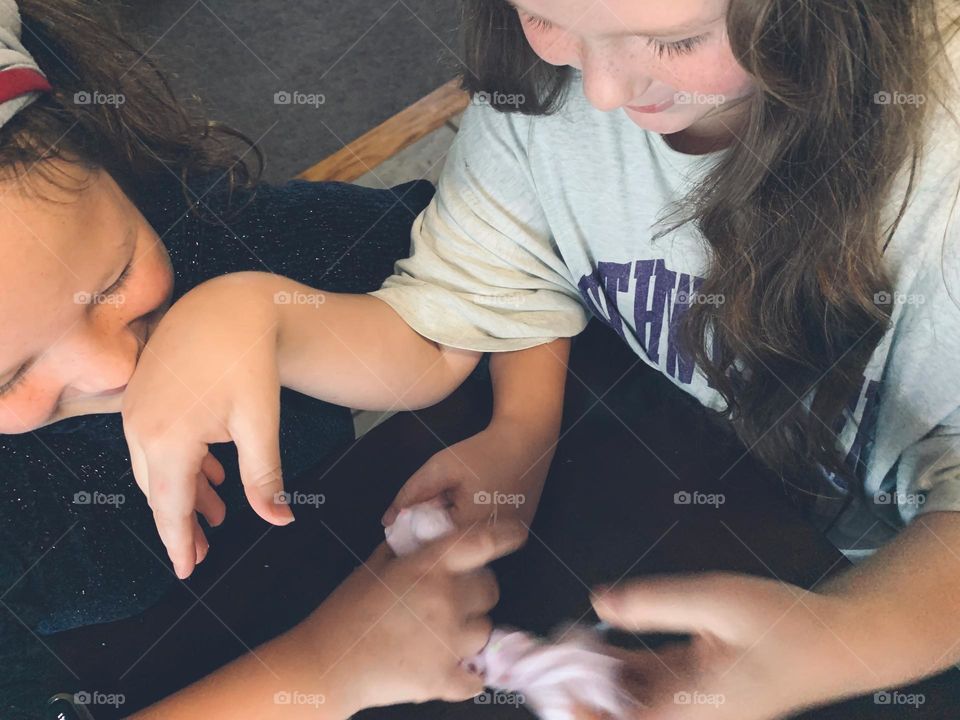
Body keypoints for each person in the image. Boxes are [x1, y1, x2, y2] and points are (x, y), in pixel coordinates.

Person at [122, 0, 960, 716]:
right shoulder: (547, 101)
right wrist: (266, 316)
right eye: (545, 17)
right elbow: (451, 320)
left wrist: (843, 643)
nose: (602, 90)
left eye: (672, 42)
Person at [0, 1, 526, 718]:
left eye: (118, 278)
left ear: (111, 158)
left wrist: (522, 432)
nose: (112, 369)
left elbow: (503, 260)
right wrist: (327, 668)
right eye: (12, 376)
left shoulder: (222, 242)